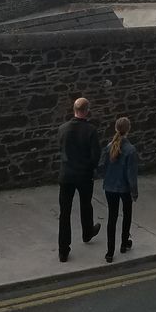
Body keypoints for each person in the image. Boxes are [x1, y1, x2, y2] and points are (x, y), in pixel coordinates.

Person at [57, 97, 102, 262]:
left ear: (74, 109)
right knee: (86, 204)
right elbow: (96, 156)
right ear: (87, 110)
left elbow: (61, 149)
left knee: (65, 213)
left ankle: (63, 250)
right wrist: (89, 168)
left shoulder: (62, 128)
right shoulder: (90, 130)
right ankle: (87, 232)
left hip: (66, 174)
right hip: (83, 175)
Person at [99, 116, 138, 263]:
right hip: (124, 188)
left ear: (116, 128)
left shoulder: (109, 147)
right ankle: (123, 243)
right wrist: (134, 192)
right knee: (127, 215)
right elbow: (131, 174)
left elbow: (101, 167)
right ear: (128, 129)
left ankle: (110, 252)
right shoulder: (130, 150)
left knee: (112, 217)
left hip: (110, 187)